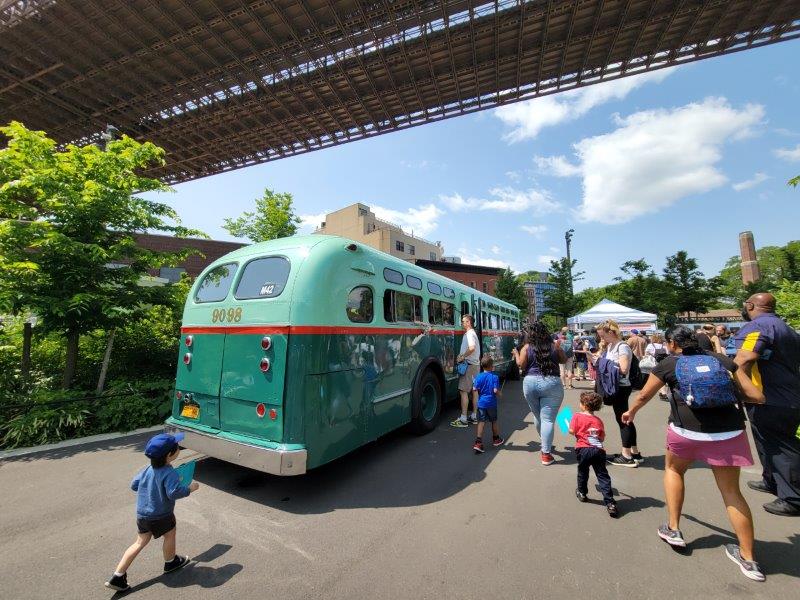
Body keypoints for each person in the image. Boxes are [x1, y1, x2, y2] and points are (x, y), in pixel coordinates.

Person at [621, 326, 766, 582]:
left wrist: (631, 413)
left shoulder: (669, 363)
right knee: (732, 493)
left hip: (686, 432)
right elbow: (756, 396)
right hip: (728, 433)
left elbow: (644, 394)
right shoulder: (721, 360)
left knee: (674, 470)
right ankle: (748, 558)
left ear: (672, 344)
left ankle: (674, 528)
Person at [105, 433, 200, 592]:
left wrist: (149, 487)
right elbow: (173, 493)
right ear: (170, 455)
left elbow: (134, 485)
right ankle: (170, 562)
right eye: (177, 448)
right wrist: (190, 489)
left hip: (143, 515)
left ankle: (118, 575)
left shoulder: (147, 469)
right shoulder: (170, 472)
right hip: (161, 515)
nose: (179, 449)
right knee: (170, 534)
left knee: (139, 542)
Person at [734, 293, 800, 516]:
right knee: (765, 442)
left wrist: (733, 387)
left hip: (768, 398)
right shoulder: (785, 328)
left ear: (751, 305)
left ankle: (793, 498)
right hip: (786, 395)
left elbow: (743, 358)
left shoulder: (758, 327)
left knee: (781, 446)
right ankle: (771, 480)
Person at [512, 321, 566, 465]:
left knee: (537, 415)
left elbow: (520, 365)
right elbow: (564, 360)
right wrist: (559, 349)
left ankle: (544, 442)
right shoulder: (554, 346)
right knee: (547, 420)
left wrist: (517, 354)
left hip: (530, 383)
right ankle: (546, 454)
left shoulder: (526, 347)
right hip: (552, 383)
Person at [595, 320, 642, 467]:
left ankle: (626, 456)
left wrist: (603, 363)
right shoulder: (611, 346)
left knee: (623, 419)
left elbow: (623, 369)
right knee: (625, 418)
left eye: (603, 336)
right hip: (617, 386)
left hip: (621, 387)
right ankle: (634, 453)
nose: (602, 339)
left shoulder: (622, 347)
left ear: (611, 333)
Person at [570, 391, 618, 517]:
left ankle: (582, 492)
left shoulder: (576, 416)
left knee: (583, 472)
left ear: (584, 405)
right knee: (602, 476)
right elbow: (602, 438)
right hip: (598, 450)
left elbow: (571, 431)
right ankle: (610, 503)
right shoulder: (598, 420)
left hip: (583, 449)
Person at [451, 314, 480, 428]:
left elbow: (471, 348)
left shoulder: (469, 334)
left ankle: (463, 419)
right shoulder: (473, 334)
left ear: (469, 322)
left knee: (463, 391)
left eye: (463, 321)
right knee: (475, 391)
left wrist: (462, 356)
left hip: (469, 366)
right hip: (475, 365)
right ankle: (474, 416)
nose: (462, 323)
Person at [472, 355, 504, 453]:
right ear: (491, 366)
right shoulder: (494, 377)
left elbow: (474, 389)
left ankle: (478, 442)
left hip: (481, 404)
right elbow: (495, 390)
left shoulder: (479, 376)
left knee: (481, 422)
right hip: (491, 404)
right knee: (494, 421)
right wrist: (500, 393)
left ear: (482, 366)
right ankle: (496, 439)